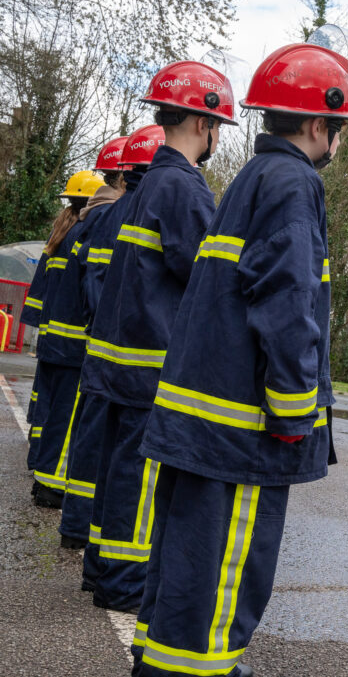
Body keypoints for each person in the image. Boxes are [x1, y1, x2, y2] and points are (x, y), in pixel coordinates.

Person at [130, 41, 348, 677]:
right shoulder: (294, 185)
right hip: (243, 431)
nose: (339, 142)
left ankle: (164, 665)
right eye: (339, 130)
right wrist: (295, 414)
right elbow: (289, 307)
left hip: (203, 420)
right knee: (226, 578)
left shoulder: (249, 180)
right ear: (320, 125)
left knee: (186, 569)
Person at [79, 60, 234, 613]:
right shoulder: (183, 187)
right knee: (139, 482)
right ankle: (122, 583)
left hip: (120, 357)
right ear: (204, 124)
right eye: (219, 128)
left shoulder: (148, 184)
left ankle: (103, 571)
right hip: (150, 359)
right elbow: (205, 271)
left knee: (117, 471)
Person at [68, 126, 163, 588]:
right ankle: (119, 576)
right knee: (129, 469)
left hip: (105, 353)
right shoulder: (155, 207)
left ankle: (92, 550)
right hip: (137, 361)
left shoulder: (111, 214)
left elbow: (95, 287)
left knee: (101, 455)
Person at [28, 170, 105, 508]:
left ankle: (39, 466)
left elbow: (41, 292)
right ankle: (50, 485)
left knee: (46, 408)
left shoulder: (60, 235)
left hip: (51, 341)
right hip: (74, 346)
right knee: (66, 416)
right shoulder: (84, 235)